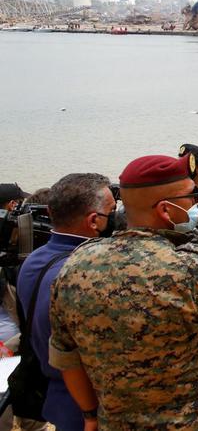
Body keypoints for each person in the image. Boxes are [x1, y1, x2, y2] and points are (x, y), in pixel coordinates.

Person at [47, 154, 198, 429]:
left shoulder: (73, 269)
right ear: (166, 210)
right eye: (192, 196)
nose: (197, 203)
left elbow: (67, 359)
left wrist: (90, 416)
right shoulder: (192, 268)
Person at [16, 173, 113, 431]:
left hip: (57, 395)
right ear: (94, 221)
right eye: (112, 211)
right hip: (89, 402)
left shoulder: (33, 260)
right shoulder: (85, 272)